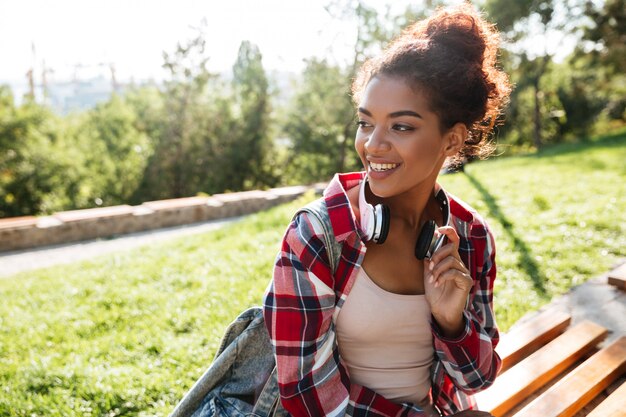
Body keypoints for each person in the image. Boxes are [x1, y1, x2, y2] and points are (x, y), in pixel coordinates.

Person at [263, 3, 511, 416]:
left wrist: (452, 323)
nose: (373, 145)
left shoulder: (471, 235)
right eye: (366, 123)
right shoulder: (318, 234)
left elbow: (478, 378)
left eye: (401, 126)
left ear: (452, 141)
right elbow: (306, 395)